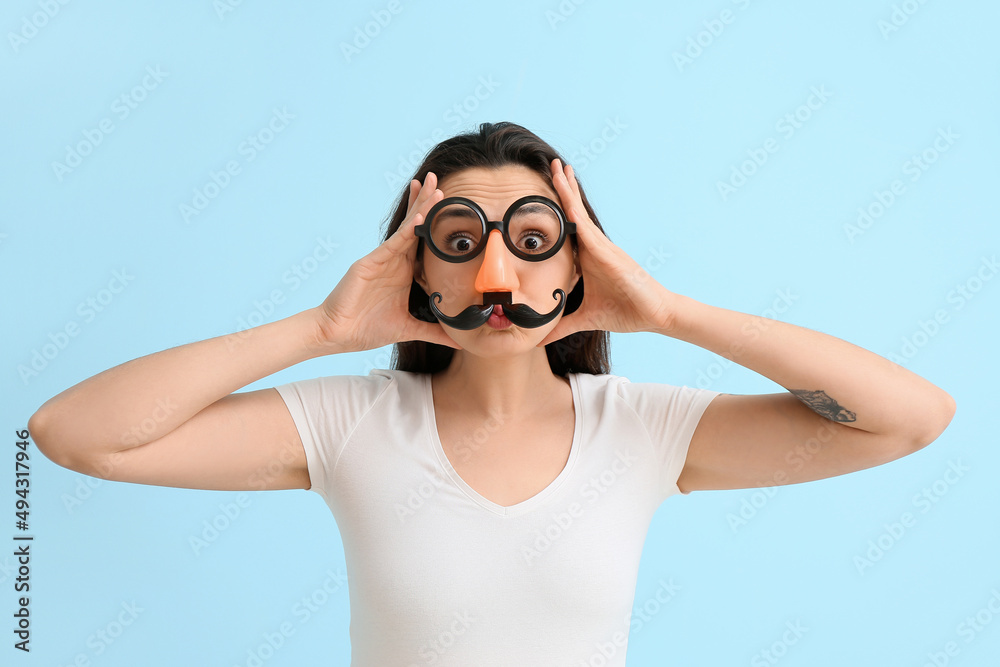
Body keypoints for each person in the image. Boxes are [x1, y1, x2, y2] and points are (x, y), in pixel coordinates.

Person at [29, 122, 956, 665]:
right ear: (417, 269)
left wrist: (670, 312)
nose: (498, 273)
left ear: (580, 263)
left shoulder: (643, 428)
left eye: (535, 238)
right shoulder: (348, 421)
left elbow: (911, 418)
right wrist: (321, 330)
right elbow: (74, 435)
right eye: (462, 241)